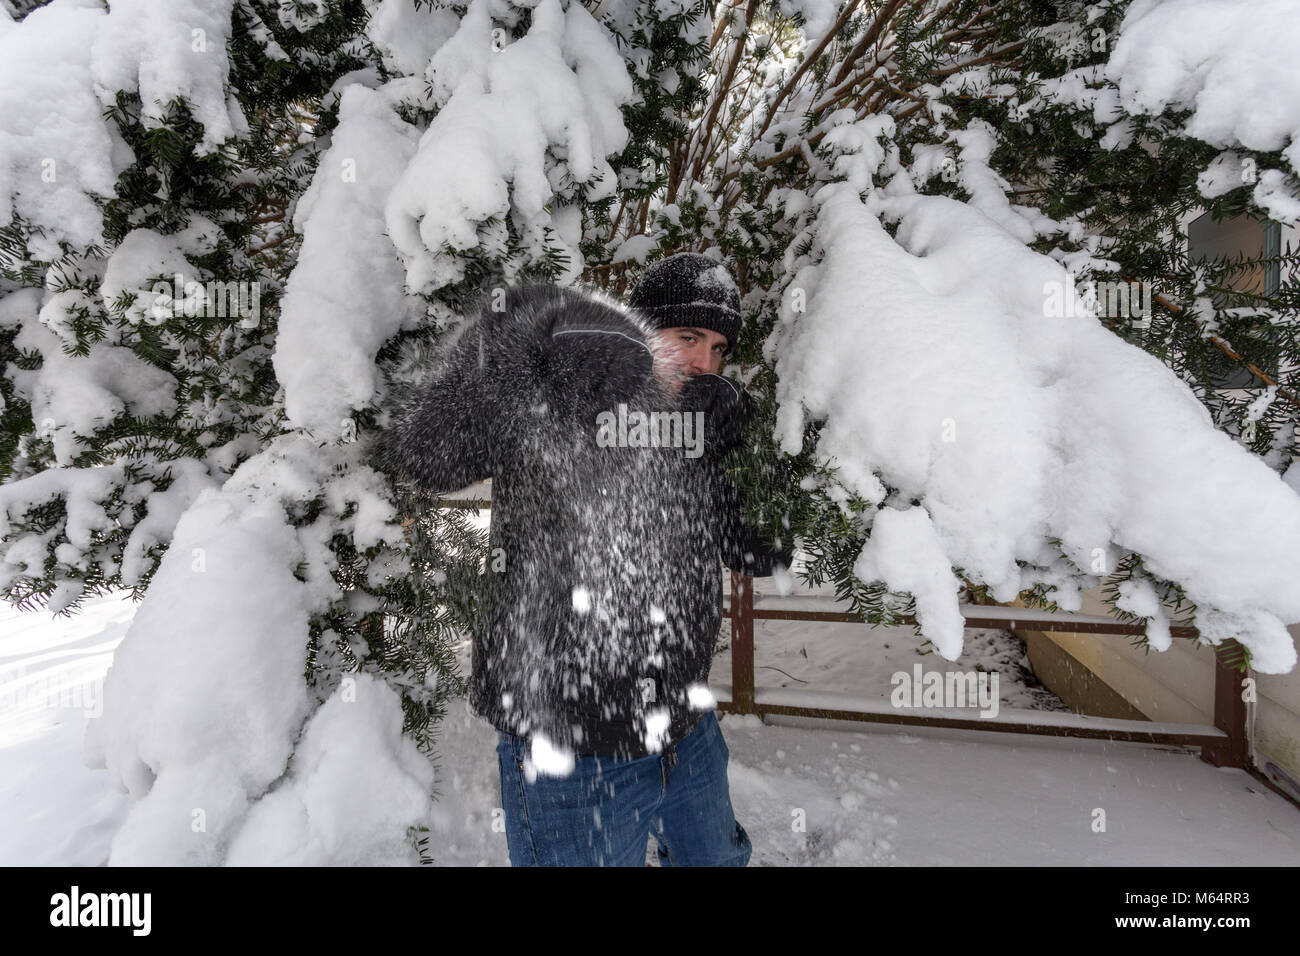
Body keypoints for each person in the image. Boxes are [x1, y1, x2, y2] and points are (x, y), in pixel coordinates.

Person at [374, 252, 792, 866]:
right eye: (687, 337)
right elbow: (424, 453)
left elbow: (763, 551)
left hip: (684, 725)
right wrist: (518, 337)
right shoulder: (558, 394)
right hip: (569, 745)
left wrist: (738, 449)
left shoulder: (701, 425)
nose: (705, 363)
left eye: (719, 348)